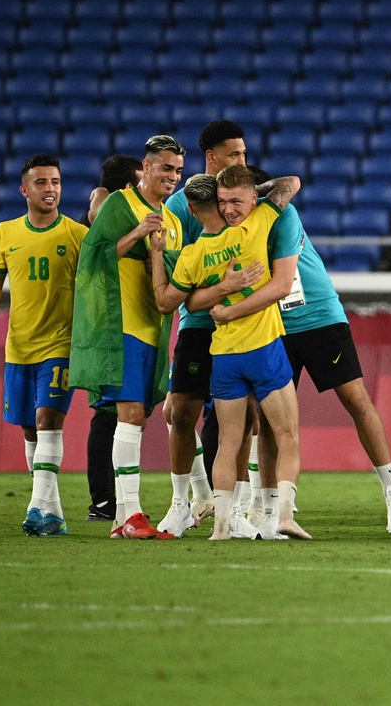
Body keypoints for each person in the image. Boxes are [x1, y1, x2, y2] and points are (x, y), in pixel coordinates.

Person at [231, 165, 391, 534]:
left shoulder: (282, 213)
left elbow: (289, 184)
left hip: (318, 317)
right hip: (274, 326)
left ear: (256, 194)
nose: (233, 207)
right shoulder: (231, 228)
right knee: (267, 420)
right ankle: (267, 512)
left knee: (356, 401)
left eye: (242, 196)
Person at [152, 169, 305, 540]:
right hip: (262, 347)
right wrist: (255, 195)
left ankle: (221, 524)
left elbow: (165, 302)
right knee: (287, 435)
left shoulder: (193, 254)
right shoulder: (253, 226)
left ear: (190, 208)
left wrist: (157, 254)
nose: (231, 208)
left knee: (228, 441)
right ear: (218, 204)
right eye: (225, 202)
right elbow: (291, 184)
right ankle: (282, 515)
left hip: (222, 352)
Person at [70, 135, 187, 540]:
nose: (172, 176)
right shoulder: (120, 205)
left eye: (177, 170)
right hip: (120, 326)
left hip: (152, 327)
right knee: (130, 415)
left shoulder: (172, 220)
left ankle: (124, 516)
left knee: (137, 416)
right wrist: (137, 234)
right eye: (165, 168)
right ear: (147, 167)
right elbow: (92, 256)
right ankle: (132, 515)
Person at [0, 154, 88, 536]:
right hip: (19, 347)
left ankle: (35, 507)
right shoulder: (6, 232)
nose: (50, 189)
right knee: (28, 428)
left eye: (55, 182)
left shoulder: (76, 234)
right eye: (41, 182)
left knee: (47, 421)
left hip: (60, 344)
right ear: (25, 190)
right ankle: (53, 513)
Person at [155, 121, 259, 537]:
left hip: (245, 320)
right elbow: (180, 280)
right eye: (234, 155)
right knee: (180, 411)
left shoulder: (246, 197)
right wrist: (220, 286)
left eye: (245, 155)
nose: (242, 162)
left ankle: (238, 506)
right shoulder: (182, 207)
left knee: (246, 416)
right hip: (198, 323)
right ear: (211, 157)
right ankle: (183, 503)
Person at [80, 154, 143, 522]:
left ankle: (111, 501)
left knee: (119, 413)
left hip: (128, 319)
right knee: (108, 412)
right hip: (109, 322)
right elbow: (97, 205)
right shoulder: (107, 206)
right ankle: (104, 501)